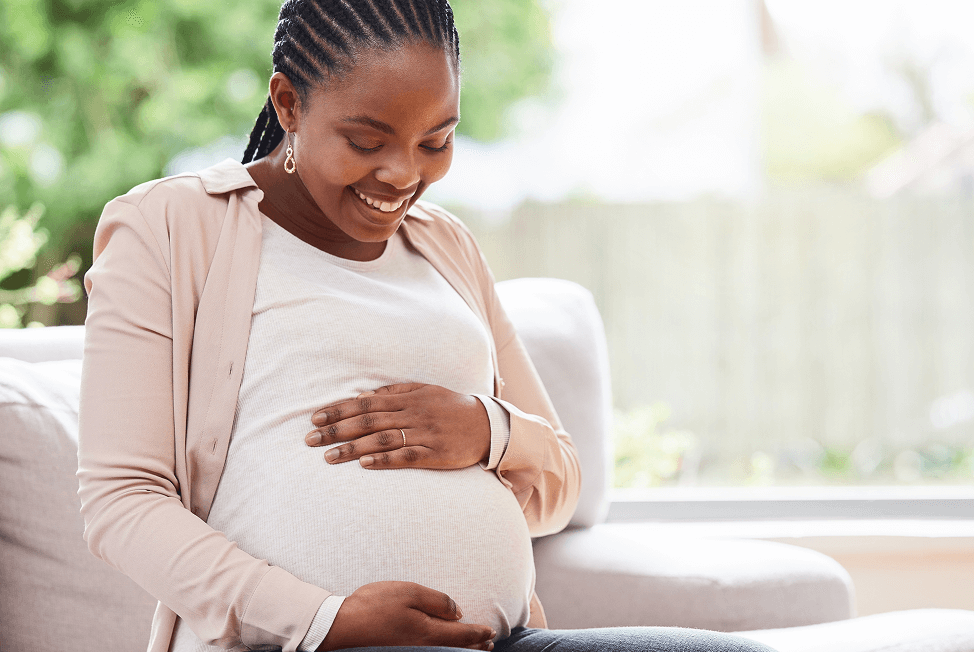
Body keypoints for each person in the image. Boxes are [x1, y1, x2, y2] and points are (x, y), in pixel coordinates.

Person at [77, 1, 778, 651]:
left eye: (436, 141)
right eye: (365, 140)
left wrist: (487, 429)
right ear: (288, 103)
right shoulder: (170, 227)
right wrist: (324, 619)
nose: (402, 174)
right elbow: (121, 502)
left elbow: (561, 480)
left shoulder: (445, 244)